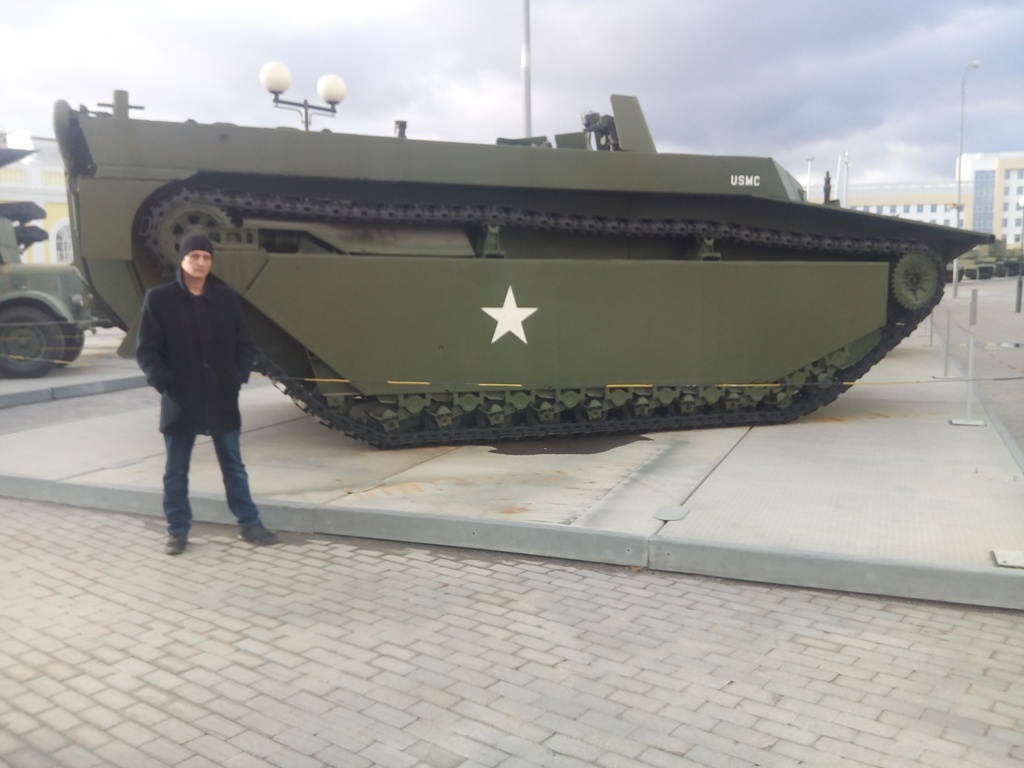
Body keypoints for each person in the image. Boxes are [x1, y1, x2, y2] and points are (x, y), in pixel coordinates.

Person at [137, 232, 279, 555]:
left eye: (206, 257)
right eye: (195, 256)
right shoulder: (159, 299)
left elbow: (246, 345)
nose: (201, 262)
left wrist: (235, 378)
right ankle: (177, 531)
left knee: (233, 466)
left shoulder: (226, 299)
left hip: (221, 398)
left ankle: (250, 523)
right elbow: (147, 351)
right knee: (176, 471)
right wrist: (166, 384)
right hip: (181, 400)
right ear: (183, 259)